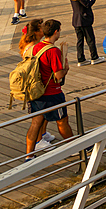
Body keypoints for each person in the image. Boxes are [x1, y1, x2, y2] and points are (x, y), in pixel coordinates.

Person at [24, 19, 73, 158]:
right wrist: (66, 69)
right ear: (56, 32)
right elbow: (58, 76)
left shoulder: (34, 47)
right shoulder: (53, 51)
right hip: (52, 93)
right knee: (62, 121)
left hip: (35, 91)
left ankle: (29, 155)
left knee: (35, 123)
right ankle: (75, 146)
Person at [64, 0, 102, 66]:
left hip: (76, 20)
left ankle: (81, 59)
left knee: (80, 40)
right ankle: (94, 57)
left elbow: (81, 3)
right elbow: (87, 5)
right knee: (90, 39)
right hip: (84, 20)